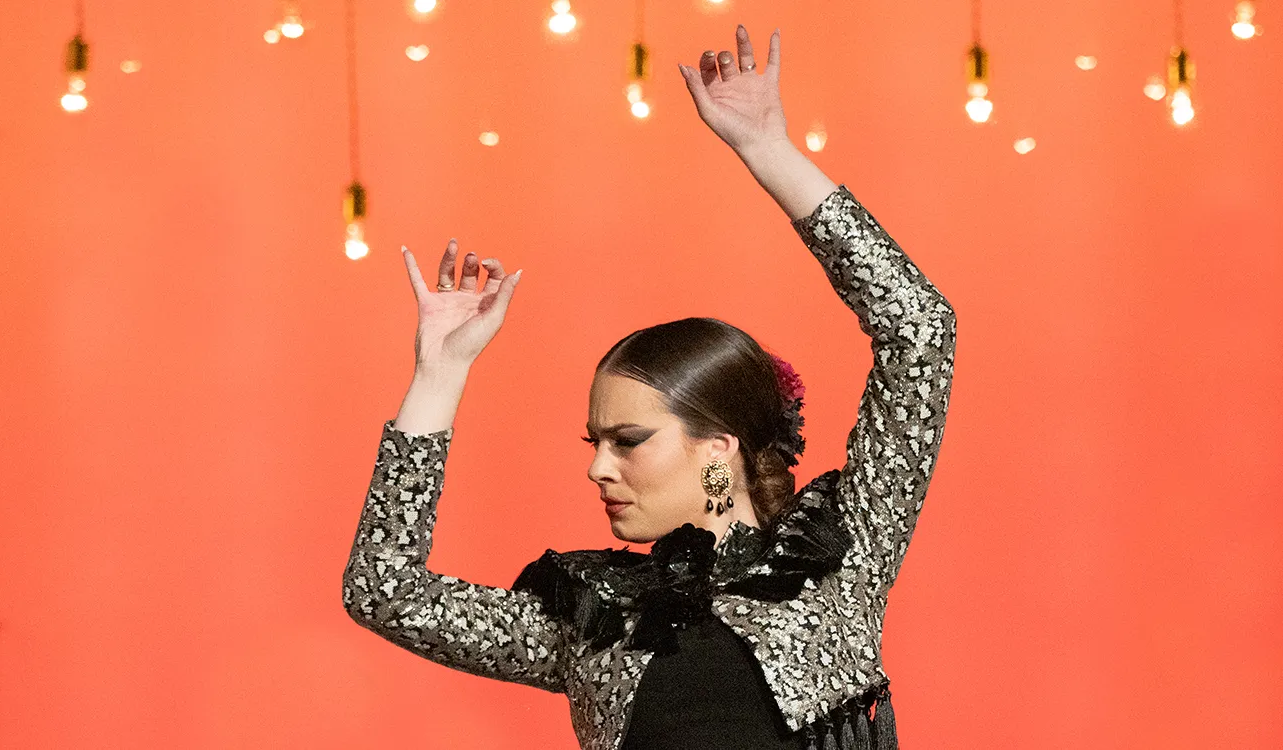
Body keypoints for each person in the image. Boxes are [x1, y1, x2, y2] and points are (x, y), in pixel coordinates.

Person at [343, 24, 956, 750]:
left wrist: (770, 152)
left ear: (718, 448)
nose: (599, 467)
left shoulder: (837, 561)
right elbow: (384, 591)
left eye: (629, 440)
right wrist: (438, 374)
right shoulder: (596, 617)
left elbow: (920, 328)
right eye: (596, 442)